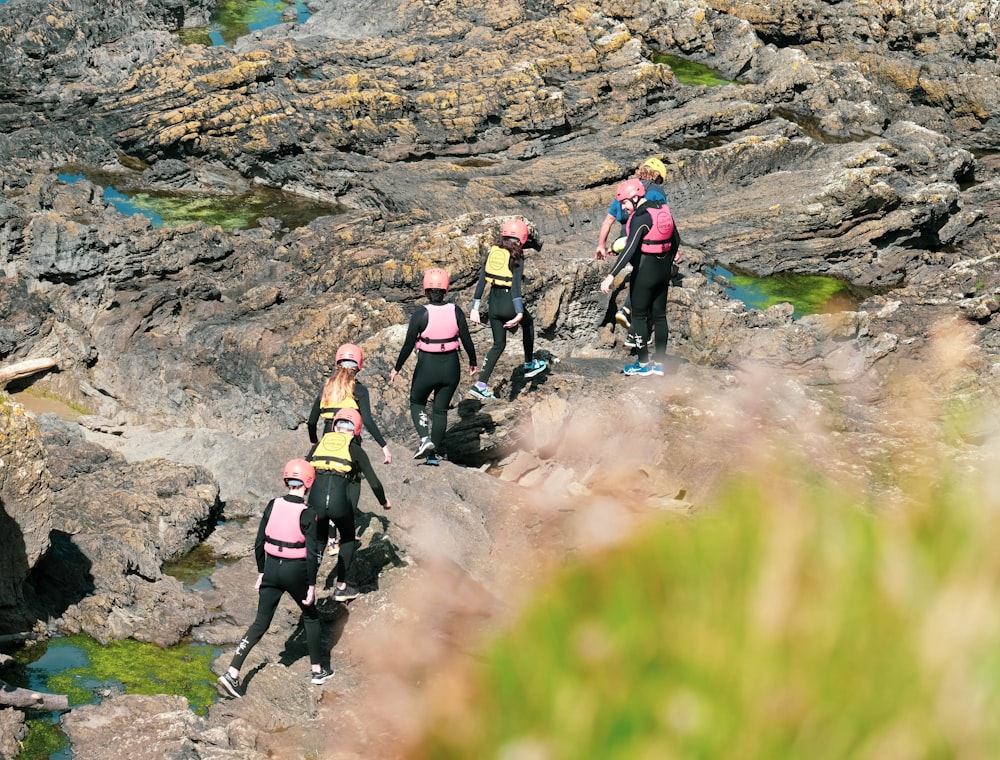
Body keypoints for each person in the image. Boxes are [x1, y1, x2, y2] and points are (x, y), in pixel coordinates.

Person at [216, 459, 333, 699]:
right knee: (310, 616)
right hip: (295, 572)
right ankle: (317, 670)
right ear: (308, 483)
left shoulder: (273, 505)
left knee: (260, 623)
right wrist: (311, 585)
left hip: (270, 569)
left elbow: (259, 542)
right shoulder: (308, 513)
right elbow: (311, 554)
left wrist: (262, 572)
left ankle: (232, 672)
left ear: (286, 479)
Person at [307, 342, 391, 556]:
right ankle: (345, 531)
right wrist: (384, 446)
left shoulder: (326, 386)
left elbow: (311, 421)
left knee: (326, 479)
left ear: (337, 362)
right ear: (359, 365)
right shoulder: (359, 389)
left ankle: (329, 538)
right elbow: (368, 421)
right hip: (350, 440)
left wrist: (315, 442)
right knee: (352, 481)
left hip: (327, 438)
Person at [389, 267, 477, 465]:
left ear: (426, 290)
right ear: (445, 289)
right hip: (452, 366)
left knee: (417, 401)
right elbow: (467, 339)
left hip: (428, 365)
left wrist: (397, 368)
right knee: (440, 411)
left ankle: (424, 439)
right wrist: (473, 362)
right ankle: (432, 456)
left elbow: (408, 344)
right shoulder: (456, 311)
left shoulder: (421, 314)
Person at [306, 408, 392, 601]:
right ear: (357, 430)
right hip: (339, 503)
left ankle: (309, 587)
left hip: (316, 502)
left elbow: (304, 472)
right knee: (347, 538)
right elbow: (374, 482)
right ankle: (341, 586)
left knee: (318, 541)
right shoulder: (356, 450)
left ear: (334, 425)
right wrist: (384, 501)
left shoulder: (318, 445)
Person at [599, 178, 681, 377]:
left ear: (635, 198)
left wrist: (610, 276)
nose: (624, 208)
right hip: (663, 270)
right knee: (660, 316)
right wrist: (668, 260)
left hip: (645, 271)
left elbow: (629, 250)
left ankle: (643, 364)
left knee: (638, 316)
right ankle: (660, 364)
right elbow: (676, 239)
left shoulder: (640, 217)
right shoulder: (662, 209)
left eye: (625, 203)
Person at [468, 218, 548, 400]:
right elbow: (515, 288)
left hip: (493, 304)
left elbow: (482, 281)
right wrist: (519, 313)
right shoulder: (517, 255)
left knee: (498, 344)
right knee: (528, 323)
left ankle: (480, 384)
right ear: (522, 238)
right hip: (508, 303)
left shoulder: (493, 252)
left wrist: (475, 307)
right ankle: (529, 364)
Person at [594, 158, 669, 336]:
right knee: (651, 274)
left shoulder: (626, 189)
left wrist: (601, 246)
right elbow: (664, 221)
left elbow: (609, 220)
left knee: (639, 269)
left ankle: (628, 316)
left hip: (622, 241)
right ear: (658, 177)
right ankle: (629, 314)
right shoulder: (657, 191)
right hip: (643, 240)